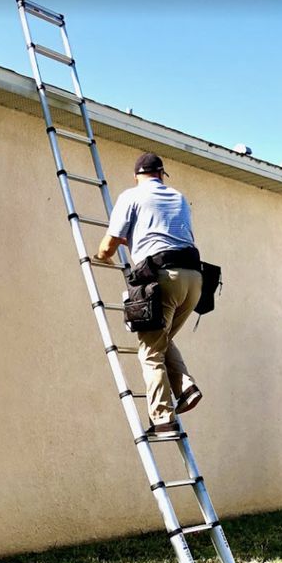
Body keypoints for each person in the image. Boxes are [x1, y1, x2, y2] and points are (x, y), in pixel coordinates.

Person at [94, 152, 204, 433]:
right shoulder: (178, 197)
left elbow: (110, 245)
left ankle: (162, 417)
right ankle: (186, 387)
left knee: (150, 352)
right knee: (161, 338)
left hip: (162, 278)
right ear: (162, 174)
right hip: (194, 280)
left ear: (136, 176)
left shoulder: (131, 196)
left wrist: (100, 257)